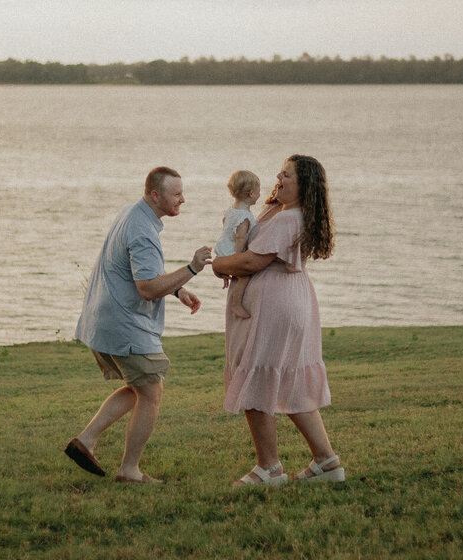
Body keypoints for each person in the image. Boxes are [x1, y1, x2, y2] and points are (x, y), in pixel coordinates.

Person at [65, 166, 212, 484]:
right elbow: (146, 287)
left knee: (140, 387)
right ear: (155, 195)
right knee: (151, 392)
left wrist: (177, 290)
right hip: (124, 323)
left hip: (103, 319)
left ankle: (86, 441)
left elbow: (138, 273)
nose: (183, 200)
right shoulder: (143, 231)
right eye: (177, 194)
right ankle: (129, 470)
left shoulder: (132, 214)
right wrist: (192, 268)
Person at [212, 154, 345, 486]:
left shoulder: (289, 220)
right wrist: (272, 200)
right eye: (280, 173)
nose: (278, 178)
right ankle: (326, 463)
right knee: (289, 381)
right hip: (289, 300)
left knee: (256, 377)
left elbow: (251, 262)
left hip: (275, 305)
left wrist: (218, 265)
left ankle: (269, 468)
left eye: (287, 176)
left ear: (304, 187)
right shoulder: (285, 213)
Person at [214, 170, 262, 321]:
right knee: (244, 276)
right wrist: (238, 257)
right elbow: (241, 237)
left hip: (223, 247)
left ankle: (226, 277)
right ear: (251, 194)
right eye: (259, 191)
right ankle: (236, 303)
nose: (260, 194)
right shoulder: (244, 216)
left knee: (236, 274)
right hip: (233, 251)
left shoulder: (231, 211)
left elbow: (225, 223)